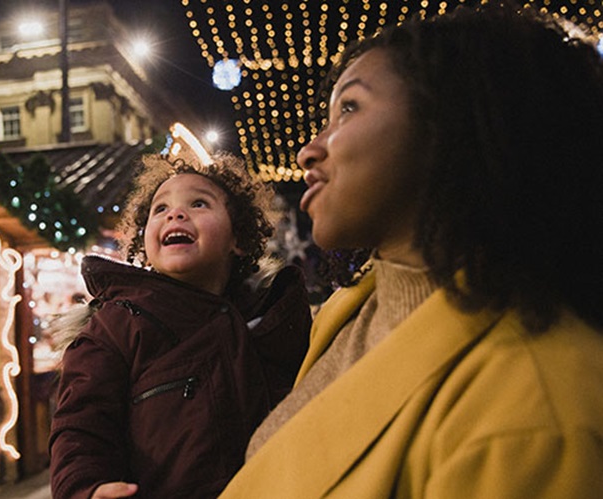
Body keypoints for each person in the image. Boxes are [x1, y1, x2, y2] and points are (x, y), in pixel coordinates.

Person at [220, 2, 603, 497]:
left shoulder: (538, 408)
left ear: (456, 123)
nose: (308, 150)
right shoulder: (349, 312)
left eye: (349, 108)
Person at [49, 150, 312, 498]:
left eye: (199, 204)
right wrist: (87, 488)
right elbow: (81, 426)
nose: (175, 212)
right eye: (160, 208)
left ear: (238, 238)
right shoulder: (117, 326)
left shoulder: (273, 319)